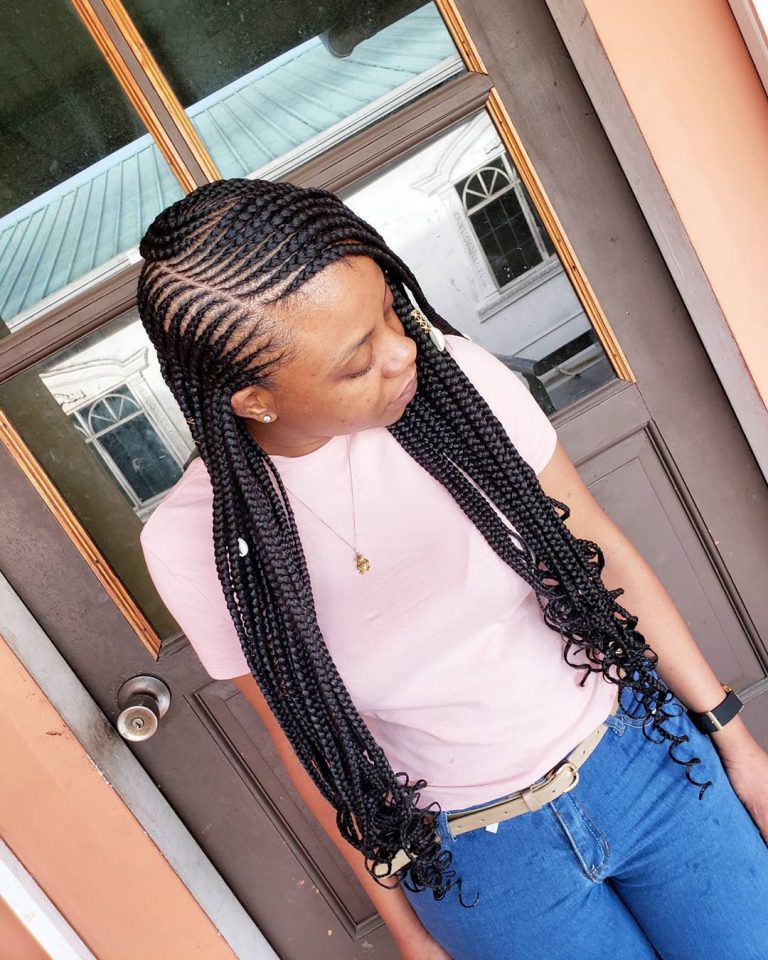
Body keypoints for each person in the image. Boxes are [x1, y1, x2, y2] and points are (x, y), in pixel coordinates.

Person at [136, 177, 768, 960]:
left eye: (387, 310)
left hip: (645, 763)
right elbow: (310, 749)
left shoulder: (454, 384)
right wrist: (409, 934)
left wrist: (736, 743)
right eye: (355, 362)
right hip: (478, 867)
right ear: (253, 400)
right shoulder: (193, 540)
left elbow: (599, 550)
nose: (402, 350)